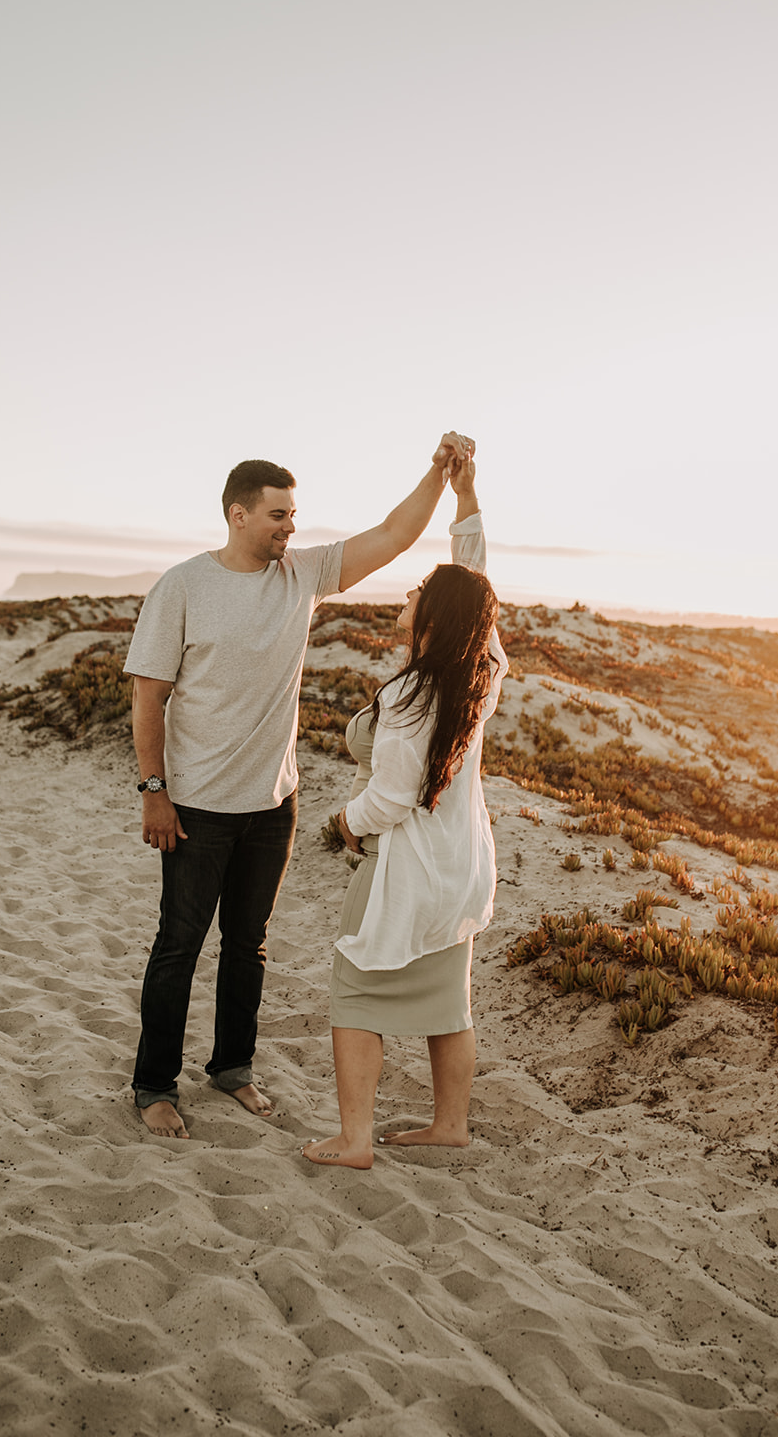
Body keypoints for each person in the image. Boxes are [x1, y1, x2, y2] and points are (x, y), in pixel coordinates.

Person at [125, 432, 474, 1140]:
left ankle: (231, 1068)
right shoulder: (183, 587)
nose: (291, 527)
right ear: (237, 515)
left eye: (293, 515)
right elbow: (148, 697)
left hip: (271, 804)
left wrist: (441, 475)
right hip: (194, 806)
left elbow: (394, 533)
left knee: (247, 943)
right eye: (278, 515)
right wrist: (154, 791)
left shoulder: (302, 576)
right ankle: (154, 1085)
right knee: (178, 946)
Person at [302, 451, 507, 1168]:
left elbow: (388, 800)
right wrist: (466, 495)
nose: (409, 593)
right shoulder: (482, 671)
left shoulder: (408, 695)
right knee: (449, 1000)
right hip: (463, 869)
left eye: (419, 587)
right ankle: (448, 1126)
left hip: (408, 870)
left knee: (355, 991)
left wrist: (340, 825)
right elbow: (475, 581)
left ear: (431, 614)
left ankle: (353, 1139)